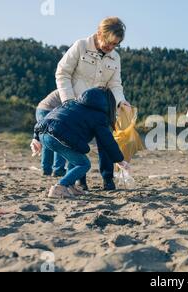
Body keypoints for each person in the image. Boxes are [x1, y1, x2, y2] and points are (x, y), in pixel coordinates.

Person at [46, 16, 131, 191]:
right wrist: (68, 101)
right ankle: (80, 181)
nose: (110, 48)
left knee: (106, 141)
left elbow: (115, 84)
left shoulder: (115, 58)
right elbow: (62, 73)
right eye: (108, 43)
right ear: (100, 33)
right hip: (77, 107)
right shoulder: (80, 46)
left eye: (115, 45)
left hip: (101, 109)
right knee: (76, 142)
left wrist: (121, 101)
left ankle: (108, 179)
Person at [31, 87, 129, 199]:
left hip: (44, 133)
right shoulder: (99, 115)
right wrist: (119, 160)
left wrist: (36, 138)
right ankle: (60, 186)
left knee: (75, 156)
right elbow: (107, 141)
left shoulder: (73, 103)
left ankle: (71, 186)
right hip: (58, 136)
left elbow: (51, 116)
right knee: (84, 164)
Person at [35, 90, 66, 177]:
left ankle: (46, 169)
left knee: (47, 140)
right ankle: (58, 169)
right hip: (48, 110)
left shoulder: (69, 85)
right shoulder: (71, 89)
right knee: (59, 140)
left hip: (42, 109)